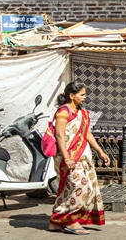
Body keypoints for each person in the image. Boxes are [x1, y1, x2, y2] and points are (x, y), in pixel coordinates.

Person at [48, 81, 110, 234]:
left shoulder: (81, 112)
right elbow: (60, 135)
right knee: (80, 186)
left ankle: (57, 222)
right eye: (82, 94)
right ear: (71, 95)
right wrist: (68, 158)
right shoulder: (64, 111)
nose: (84, 97)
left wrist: (100, 152)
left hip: (82, 156)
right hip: (68, 157)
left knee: (71, 189)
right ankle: (71, 221)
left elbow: (86, 133)